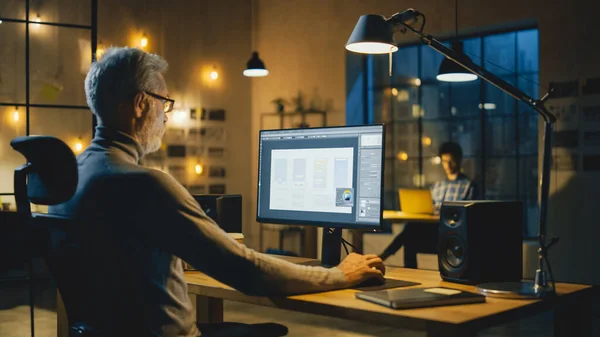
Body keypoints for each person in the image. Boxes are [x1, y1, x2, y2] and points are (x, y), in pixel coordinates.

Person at [48, 47, 385, 337]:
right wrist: (340, 274)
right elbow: (247, 271)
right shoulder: (147, 184)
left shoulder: (67, 180)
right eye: (163, 103)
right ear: (140, 104)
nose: (165, 117)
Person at [379, 141, 477, 265]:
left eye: (451, 161)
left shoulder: (468, 186)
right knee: (410, 232)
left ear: (458, 160)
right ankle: (405, 270)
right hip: (433, 229)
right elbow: (429, 206)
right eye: (444, 161)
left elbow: (467, 214)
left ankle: (383, 255)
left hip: (450, 232)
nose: (448, 165)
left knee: (409, 232)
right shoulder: (438, 186)